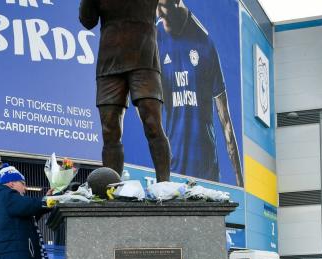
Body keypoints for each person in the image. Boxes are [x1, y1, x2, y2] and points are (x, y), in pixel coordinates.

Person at [79, 0, 171, 182]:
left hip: (144, 60)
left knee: (152, 123)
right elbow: (87, 21)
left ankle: (164, 184)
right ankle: (111, 189)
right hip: (109, 64)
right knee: (109, 130)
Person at [156, 0, 243, 186]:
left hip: (206, 171)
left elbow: (225, 119)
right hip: (173, 169)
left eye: (161, 6)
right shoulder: (156, 37)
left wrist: (240, 182)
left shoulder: (205, 44)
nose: (157, 14)